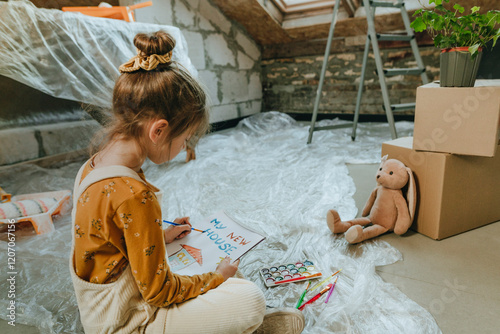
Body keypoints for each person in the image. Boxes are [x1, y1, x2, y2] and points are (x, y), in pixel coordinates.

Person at [69, 30, 304, 334]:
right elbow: (159, 292)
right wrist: (217, 278)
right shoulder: (134, 195)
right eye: (185, 139)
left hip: (105, 306)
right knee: (248, 297)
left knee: (218, 264)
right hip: (127, 322)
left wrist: (158, 236)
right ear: (159, 131)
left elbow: (109, 238)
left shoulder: (94, 166)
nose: (184, 148)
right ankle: (250, 324)